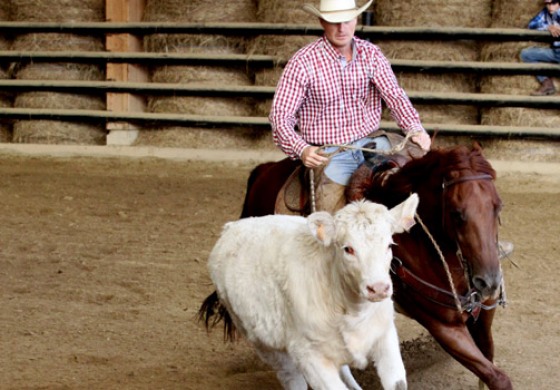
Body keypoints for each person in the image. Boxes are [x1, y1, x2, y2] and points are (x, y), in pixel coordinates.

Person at [269, 0, 431, 213]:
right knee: (331, 216)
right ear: (321, 22)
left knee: (426, 178)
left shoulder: (371, 54)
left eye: (347, 20)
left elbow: (395, 96)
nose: (341, 28)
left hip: (373, 142)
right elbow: (280, 115)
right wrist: (302, 149)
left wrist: (415, 128)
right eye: (333, 21)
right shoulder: (303, 62)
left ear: (356, 19)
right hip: (330, 152)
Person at [520, 0, 560, 96]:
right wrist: (548, 27)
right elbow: (532, 24)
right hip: (556, 52)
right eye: (547, 4)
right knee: (526, 54)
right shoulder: (545, 13)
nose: (550, 7)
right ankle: (547, 84)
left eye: (553, 3)